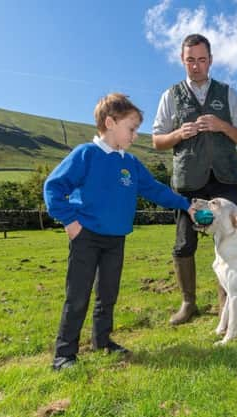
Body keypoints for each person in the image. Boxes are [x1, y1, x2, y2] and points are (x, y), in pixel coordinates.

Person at [44, 93, 195, 370]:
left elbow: (156, 190)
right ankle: (64, 355)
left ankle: (103, 341)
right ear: (110, 123)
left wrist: (186, 205)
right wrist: (69, 221)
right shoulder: (86, 155)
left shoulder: (131, 163)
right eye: (132, 128)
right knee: (78, 295)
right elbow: (53, 187)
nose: (136, 135)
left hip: (116, 239)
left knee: (108, 294)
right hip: (86, 237)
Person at [152, 33, 237, 325]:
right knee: (184, 244)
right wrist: (179, 134)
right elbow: (157, 140)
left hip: (224, 180)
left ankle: (226, 304)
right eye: (190, 60)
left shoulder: (228, 93)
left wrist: (221, 126)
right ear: (182, 60)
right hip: (189, 183)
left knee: (230, 243)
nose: (196, 66)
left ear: (211, 60)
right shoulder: (170, 95)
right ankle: (188, 303)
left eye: (202, 60)